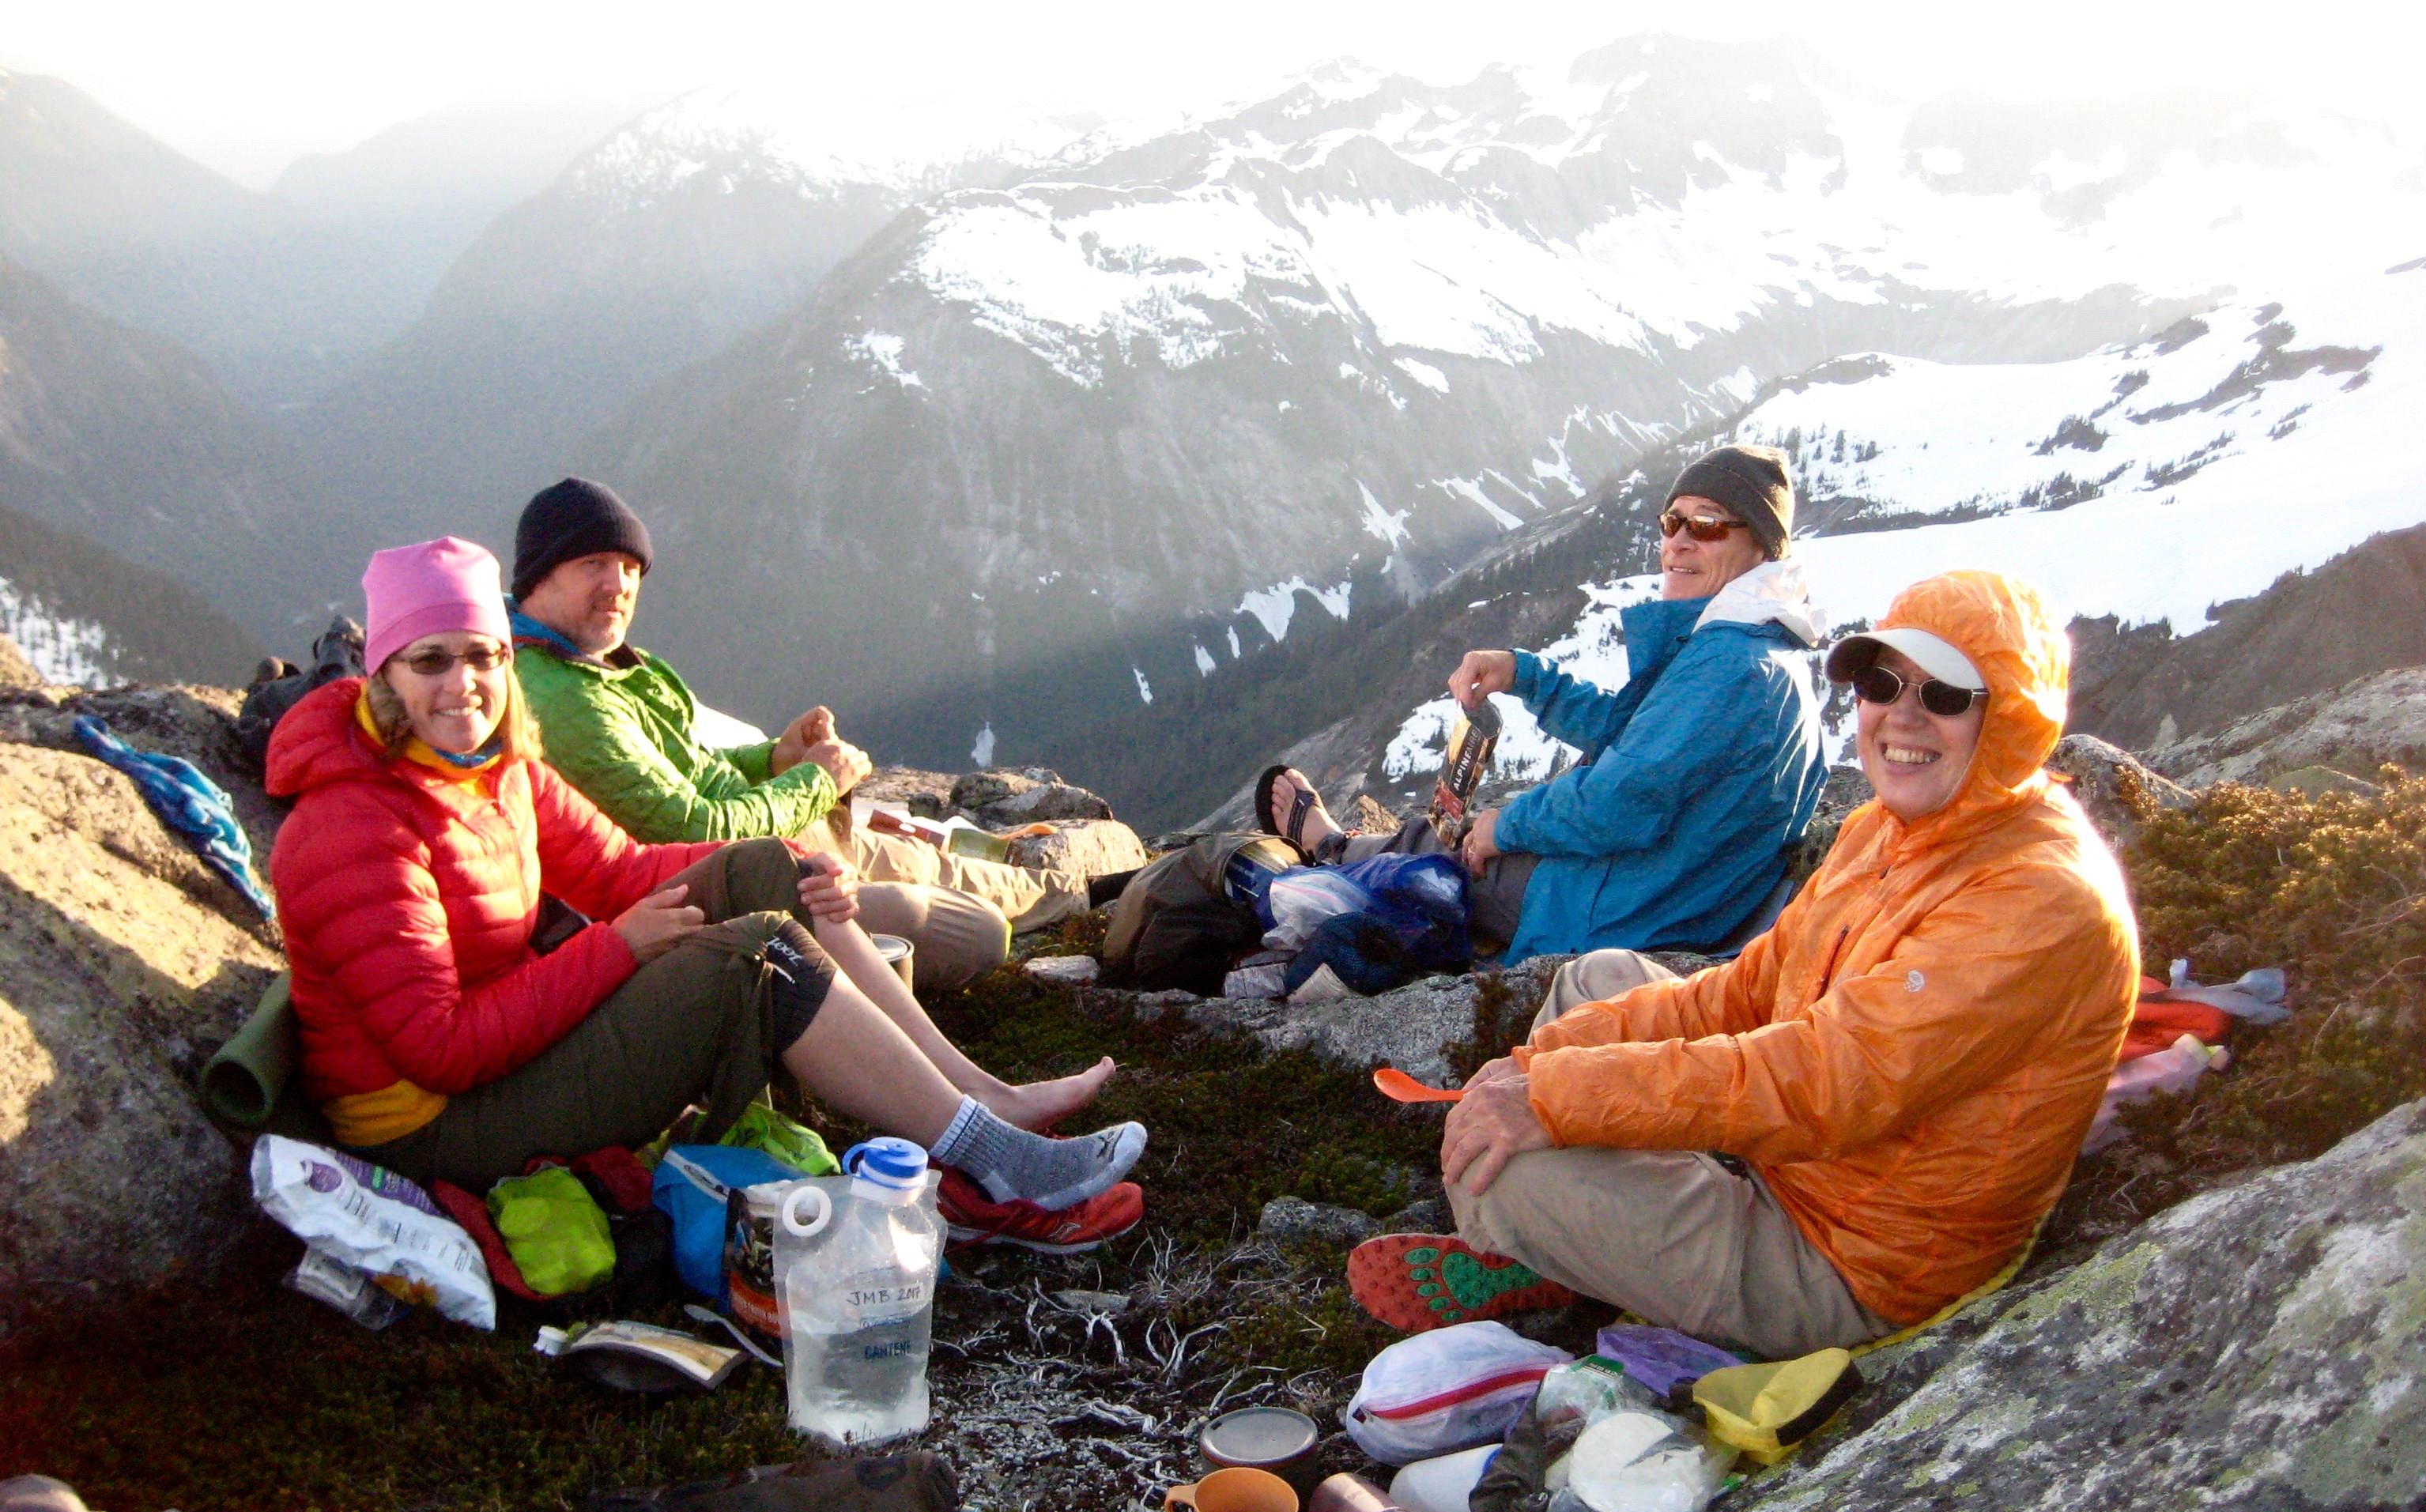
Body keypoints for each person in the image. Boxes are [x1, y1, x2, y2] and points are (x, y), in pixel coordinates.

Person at [266, 537, 1145, 1250]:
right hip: (434, 1125)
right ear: (384, 676)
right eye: (432, 660)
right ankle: (989, 1166)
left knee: (765, 871)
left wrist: (794, 862)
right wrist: (615, 951)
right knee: (753, 961)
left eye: (484, 656)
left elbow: (617, 872)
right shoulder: (354, 829)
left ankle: (976, 1098)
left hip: (504, 1053)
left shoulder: (491, 772)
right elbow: (438, 1051)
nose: (464, 684)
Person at [1345, 571, 2140, 1359]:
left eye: (1943, 696)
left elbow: (1829, 1079)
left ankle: (1564, 1258)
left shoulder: (2038, 901)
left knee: (1510, 1177)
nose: (1900, 714)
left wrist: (1554, 1099)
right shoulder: (1889, 829)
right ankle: (1586, 1251)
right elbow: (1757, 986)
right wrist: (1538, 1068)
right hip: (1795, 1165)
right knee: (1596, 982)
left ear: (2010, 719)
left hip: (1852, 1262)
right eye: (1882, 679)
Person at [505, 477, 1088, 990]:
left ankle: (1089, 890)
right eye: (593, 565)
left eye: (630, 567)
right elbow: (689, 830)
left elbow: (681, 767)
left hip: (791, 848)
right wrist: (815, 780)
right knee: (977, 932)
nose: (618, 584)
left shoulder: (602, 664)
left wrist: (772, 759)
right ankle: (1083, 900)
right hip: (744, 891)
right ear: (539, 574)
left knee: (954, 870)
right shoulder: (558, 697)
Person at [1258, 446, 1827, 962]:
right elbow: (1639, 737)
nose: (1677, 540)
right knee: (1467, 834)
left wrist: (1506, 826)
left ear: (1760, 546)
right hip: (1663, 889)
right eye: (1671, 520)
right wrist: (1528, 675)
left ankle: (1333, 853)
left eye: (1704, 525)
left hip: (1622, 909)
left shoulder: (1730, 664)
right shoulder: (1757, 645)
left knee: (1450, 856)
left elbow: (1618, 802)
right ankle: (1345, 848)